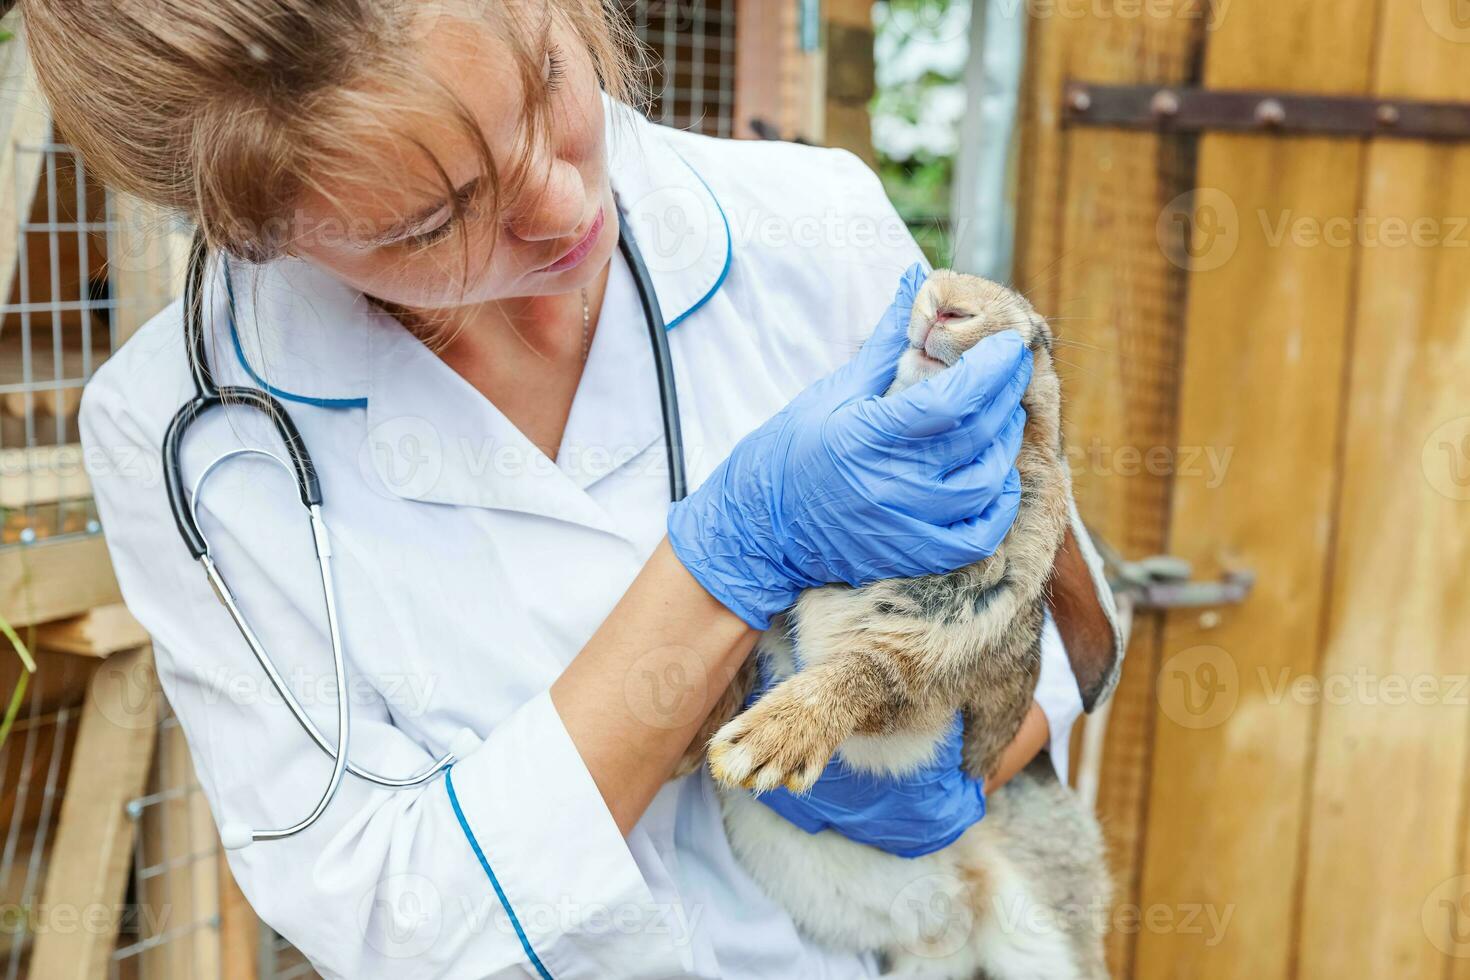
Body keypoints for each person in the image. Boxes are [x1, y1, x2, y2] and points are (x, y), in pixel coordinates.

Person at [16, 0, 1120, 976]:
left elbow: (1067, 621)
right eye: (432, 220)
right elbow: (388, 918)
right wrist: (731, 554)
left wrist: (941, 770)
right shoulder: (184, 432)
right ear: (255, 235)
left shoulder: (807, 220)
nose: (563, 205)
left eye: (548, 81)